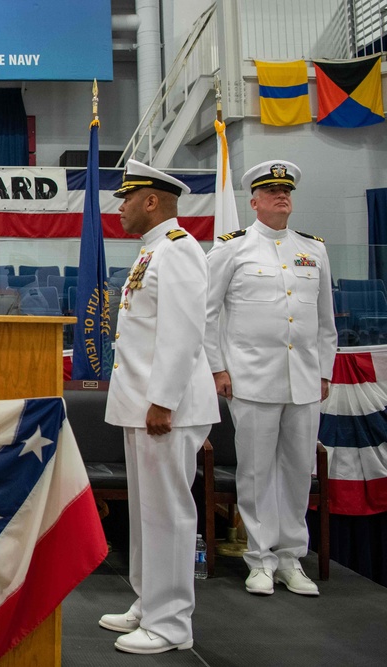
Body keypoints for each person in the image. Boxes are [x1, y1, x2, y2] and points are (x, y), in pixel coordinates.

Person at [102, 161, 219, 654]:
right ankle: (149, 601)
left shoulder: (179, 250)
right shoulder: (151, 252)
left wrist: (163, 402)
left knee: (169, 512)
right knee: (147, 514)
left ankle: (171, 623)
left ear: (152, 201)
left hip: (165, 408)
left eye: (127, 198)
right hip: (142, 404)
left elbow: (183, 332)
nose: (121, 207)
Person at [204, 160, 336, 597]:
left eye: (287, 190)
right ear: (254, 201)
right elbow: (208, 314)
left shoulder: (313, 250)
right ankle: (259, 558)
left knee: (298, 471)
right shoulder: (232, 248)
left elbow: (324, 322)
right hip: (251, 378)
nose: (282, 196)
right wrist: (218, 367)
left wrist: (323, 371)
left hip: (303, 380)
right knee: (258, 471)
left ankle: (291, 558)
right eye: (272, 191)